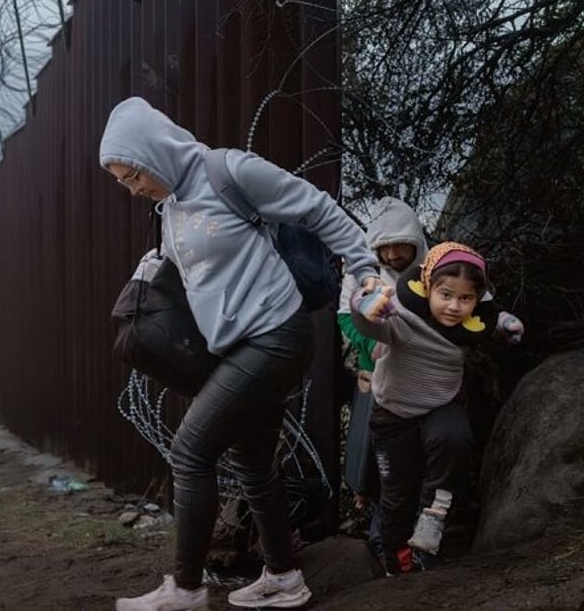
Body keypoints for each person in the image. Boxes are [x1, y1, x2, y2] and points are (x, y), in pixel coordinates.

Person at [101, 97, 381, 610]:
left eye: (133, 175)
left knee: (191, 451)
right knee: (252, 463)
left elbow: (317, 207)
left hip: (276, 335)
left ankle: (186, 590)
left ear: (154, 154)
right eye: (123, 183)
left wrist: (365, 270)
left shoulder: (228, 171)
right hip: (238, 348)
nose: (133, 189)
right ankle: (283, 577)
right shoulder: (171, 208)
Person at [350, 241, 524, 574]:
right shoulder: (403, 317)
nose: (454, 306)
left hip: (439, 405)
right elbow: (369, 324)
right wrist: (364, 304)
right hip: (394, 414)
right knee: (396, 496)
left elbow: (493, 315)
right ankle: (397, 561)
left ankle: (433, 517)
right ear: (427, 287)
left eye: (466, 299)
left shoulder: (469, 328)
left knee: (454, 438)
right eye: (445, 295)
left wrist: (507, 325)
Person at [338, 197, 429, 562]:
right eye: (384, 247)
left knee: (416, 457)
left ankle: (418, 538)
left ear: (415, 240)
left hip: (421, 379)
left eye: (400, 245)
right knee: (374, 461)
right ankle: (381, 538)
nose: (392, 255)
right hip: (374, 375)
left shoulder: (432, 271)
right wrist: (370, 344)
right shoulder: (360, 272)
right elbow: (346, 317)